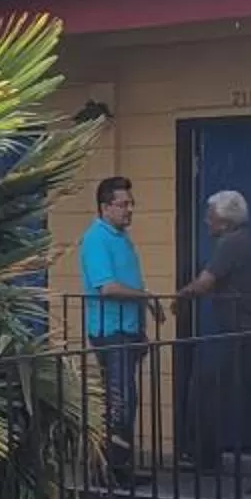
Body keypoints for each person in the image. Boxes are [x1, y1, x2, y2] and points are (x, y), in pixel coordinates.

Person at [177, 190, 251, 492]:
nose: (206, 220)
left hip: (246, 334)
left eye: (210, 215)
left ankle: (209, 457)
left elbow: (205, 282)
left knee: (208, 386)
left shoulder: (231, 243)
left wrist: (181, 296)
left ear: (224, 219)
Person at [77, 175, 155, 483]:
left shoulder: (120, 237)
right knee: (118, 400)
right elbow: (107, 287)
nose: (129, 210)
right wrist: (146, 297)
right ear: (105, 207)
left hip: (127, 329)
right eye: (123, 204)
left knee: (125, 398)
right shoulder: (96, 238)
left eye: (130, 203)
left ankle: (119, 465)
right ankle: (110, 469)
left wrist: (141, 323)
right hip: (110, 331)